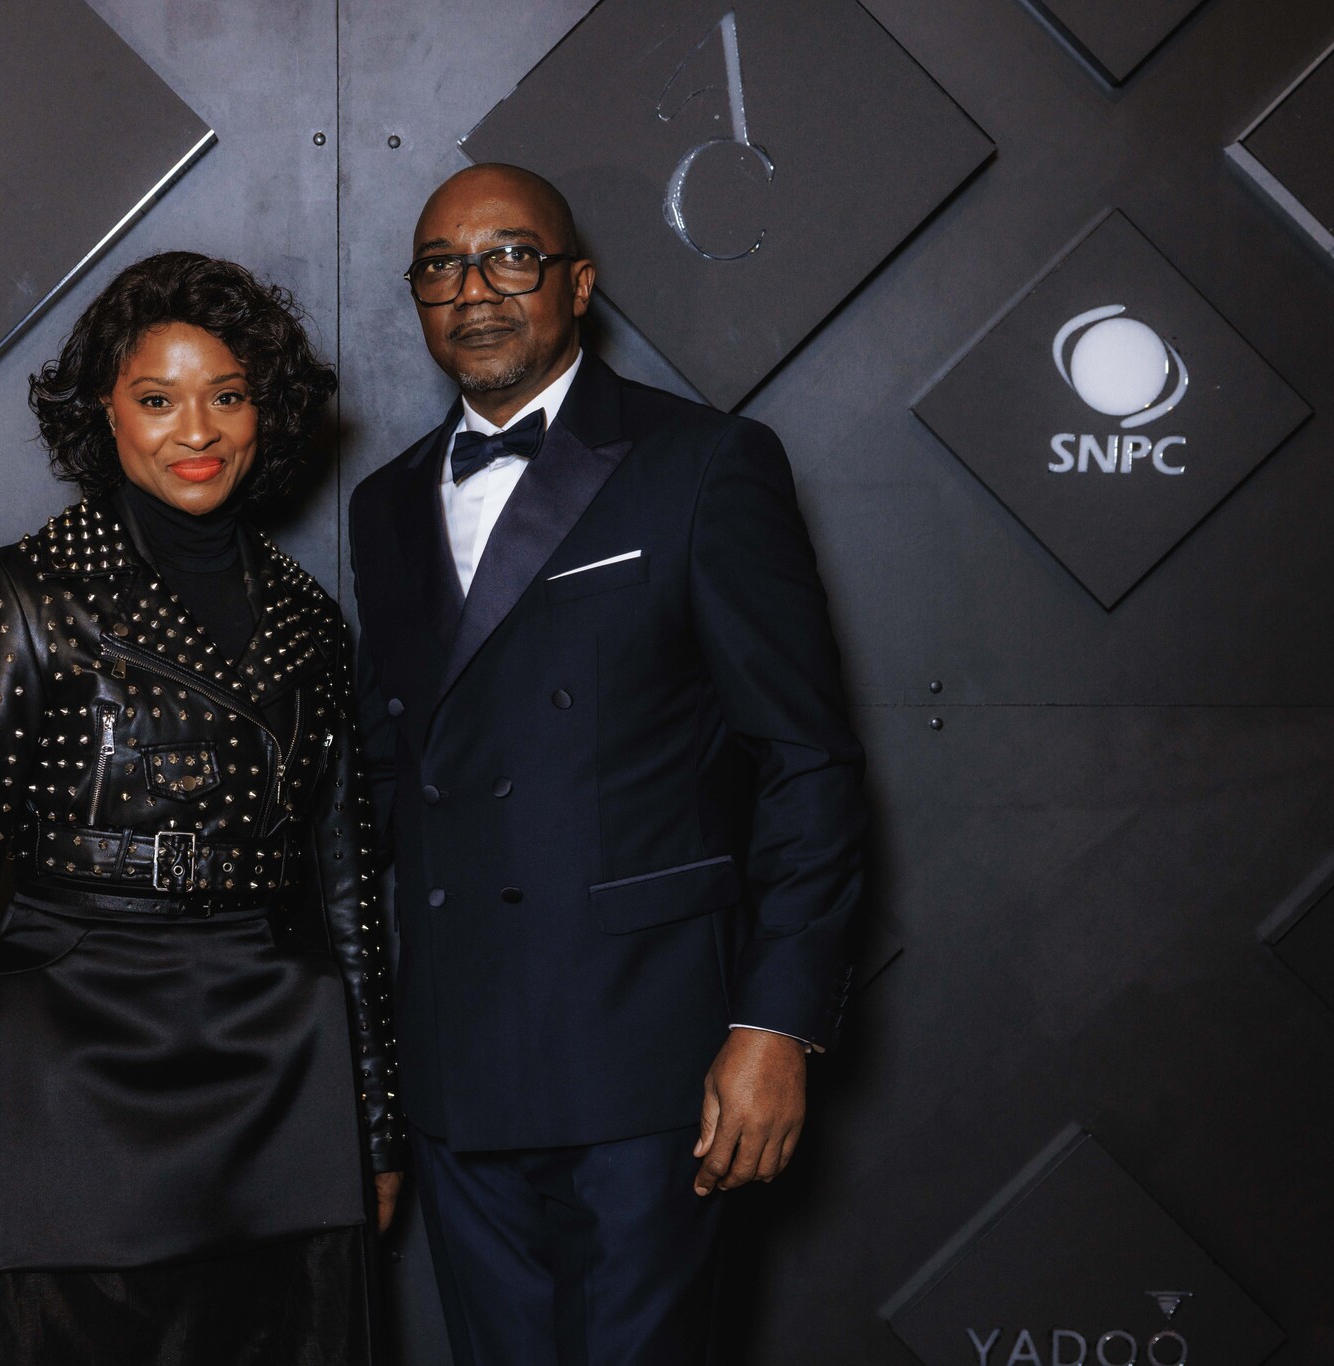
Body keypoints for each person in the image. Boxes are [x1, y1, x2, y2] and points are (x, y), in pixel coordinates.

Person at [0, 252, 405, 1366]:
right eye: (157, 398)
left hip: (277, 1066)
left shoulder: (308, 620)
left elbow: (346, 897)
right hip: (72, 1057)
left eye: (227, 395)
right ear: (105, 409)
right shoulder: (17, 593)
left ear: (266, 411)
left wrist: (373, 1128)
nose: (198, 431)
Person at [347, 164, 868, 1365]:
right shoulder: (384, 504)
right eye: (440, 267)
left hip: (647, 1057)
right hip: (456, 1062)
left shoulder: (705, 462)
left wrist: (776, 1024)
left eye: (509, 256)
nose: (473, 290)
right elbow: (386, 777)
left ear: (576, 284)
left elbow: (806, 765)